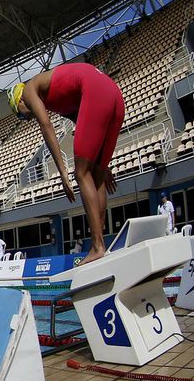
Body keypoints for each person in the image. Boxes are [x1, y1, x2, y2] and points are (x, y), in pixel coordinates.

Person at [10, 62, 124, 263]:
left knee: (81, 174)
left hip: (95, 90)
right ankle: (101, 246)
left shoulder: (28, 90)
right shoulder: (59, 102)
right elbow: (85, 122)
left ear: (19, 101)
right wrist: (103, 164)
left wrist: (62, 171)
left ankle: (97, 246)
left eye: (20, 114)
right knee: (96, 176)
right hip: (113, 94)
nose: (25, 118)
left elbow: (46, 127)